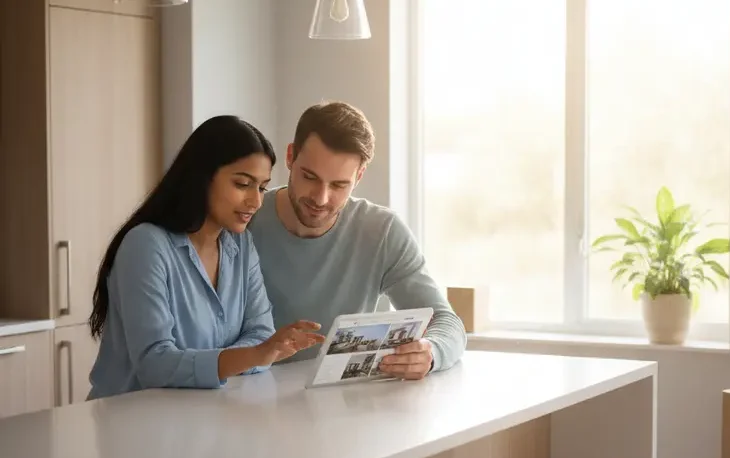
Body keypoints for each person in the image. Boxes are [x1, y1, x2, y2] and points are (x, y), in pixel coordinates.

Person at [87, 115, 325, 400]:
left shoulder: (241, 245)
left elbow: (260, 332)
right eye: (242, 184)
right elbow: (154, 364)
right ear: (202, 177)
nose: (256, 201)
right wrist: (256, 355)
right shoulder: (146, 245)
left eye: (261, 187)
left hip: (199, 417)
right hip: (131, 422)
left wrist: (257, 353)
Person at [247, 101, 466, 380]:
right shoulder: (246, 219)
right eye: (309, 177)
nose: (320, 198)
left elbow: (447, 323)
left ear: (359, 176)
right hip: (249, 397)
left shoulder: (381, 231)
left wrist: (430, 352)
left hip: (340, 404)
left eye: (339, 185)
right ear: (290, 156)